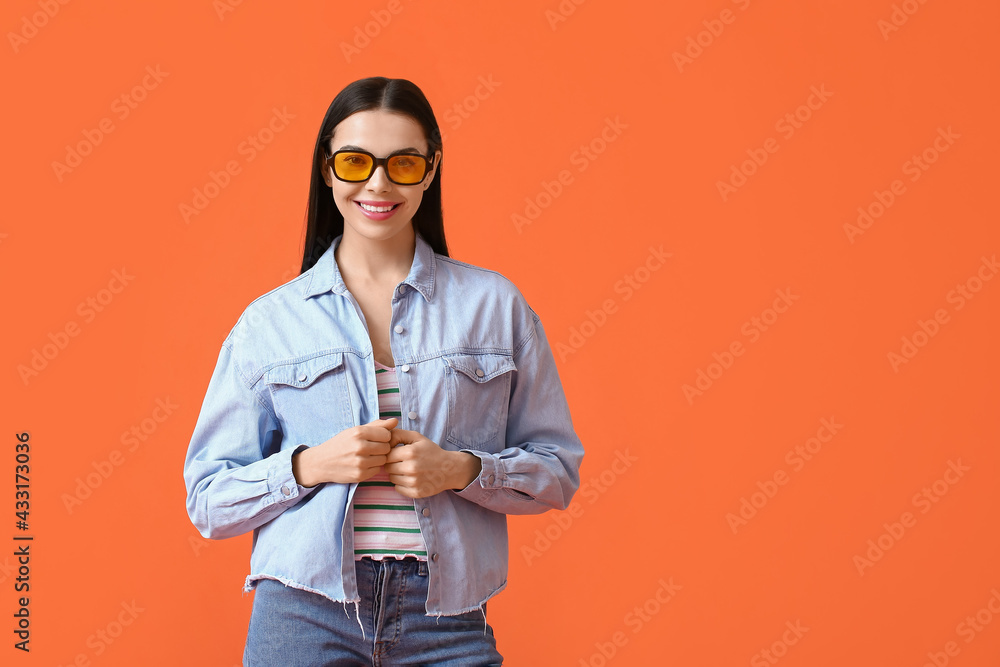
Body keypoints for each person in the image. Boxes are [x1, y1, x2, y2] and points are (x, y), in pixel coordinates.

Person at [183, 76, 584, 666]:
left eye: (402, 163)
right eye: (354, 161)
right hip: (304, 611)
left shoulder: (495, 308)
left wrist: (460, 469)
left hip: (446, 618)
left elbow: (557, 471)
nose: (378, 183)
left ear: (430, 168)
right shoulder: (269, 323)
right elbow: (208, 501)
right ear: (327, 169)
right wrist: (309, 466)